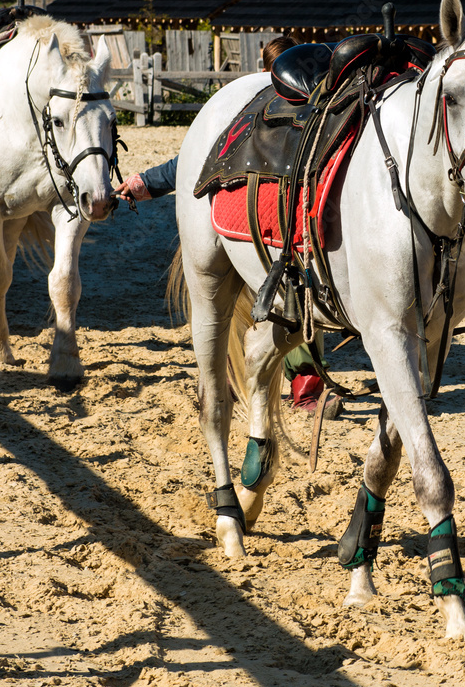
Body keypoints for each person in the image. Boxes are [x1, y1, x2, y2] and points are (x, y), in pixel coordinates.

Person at [115, 35, 342, 417]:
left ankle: (264, 385)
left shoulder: (256, 113)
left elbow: (198, 160)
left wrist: (143, 184)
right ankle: (300, 388)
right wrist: (143, 184)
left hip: (252, 222)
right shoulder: (297, 111)